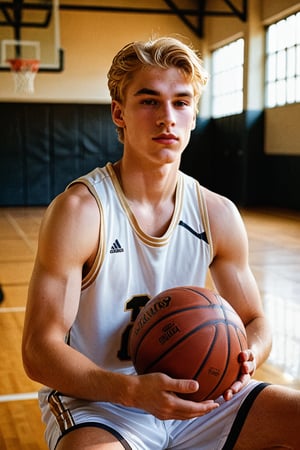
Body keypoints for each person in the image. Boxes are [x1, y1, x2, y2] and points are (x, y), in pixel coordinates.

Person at [22, 36, 300, 450]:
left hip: (198, 394)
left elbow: (256, 322)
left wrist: (246, 361)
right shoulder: (81, 211)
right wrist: (131, 392)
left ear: (193, 115)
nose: (166, 117)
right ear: (120, 113)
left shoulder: (217, 213)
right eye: (149, 101)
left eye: (181, 102)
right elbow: (38, 351)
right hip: (100, 401)